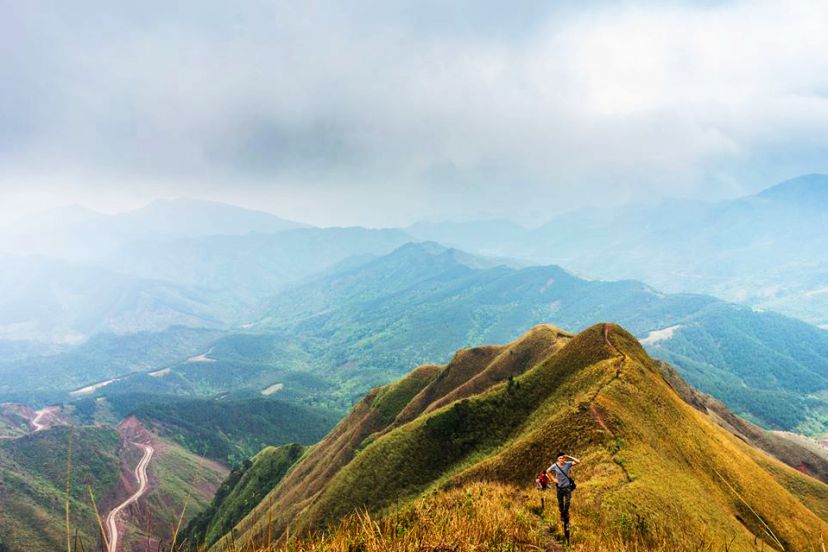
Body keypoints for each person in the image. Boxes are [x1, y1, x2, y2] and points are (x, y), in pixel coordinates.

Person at [546, 451, 581, 542]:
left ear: (564, 458)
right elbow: (548, 471)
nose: (562, 459)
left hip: (567, 487)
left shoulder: (568, 464)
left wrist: (569, 456)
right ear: (557, 459)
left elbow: (578, 461)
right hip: (559, 488)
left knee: (568, 501)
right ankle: (562, 513)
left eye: (563, 458)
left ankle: (565, 512)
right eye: (560, 458)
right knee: (560, 502)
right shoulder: (555, 465)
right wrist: (553, 479)